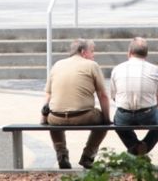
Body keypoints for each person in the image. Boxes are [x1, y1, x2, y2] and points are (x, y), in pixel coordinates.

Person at [43, 38, 111, 169]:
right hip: (84, 116)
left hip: (56, 117)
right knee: (103, 119)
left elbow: (48, 95)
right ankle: (88, 156)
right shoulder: (92, 65)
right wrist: (107, 120)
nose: (93, 55)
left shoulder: (57, 64)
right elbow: (103, 95)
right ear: (84, 52)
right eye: (92, 51)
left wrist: (43, 119)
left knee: (53, 118)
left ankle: (61, 154)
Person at [110, 37, 158, 156]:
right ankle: (144, 146)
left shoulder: (117, 69)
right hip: (147, 114)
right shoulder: (155, 70)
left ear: (129, 52)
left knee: (117, 121)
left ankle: (135, 147)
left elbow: (114, 96)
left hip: (124, 115)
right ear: (146, 54)